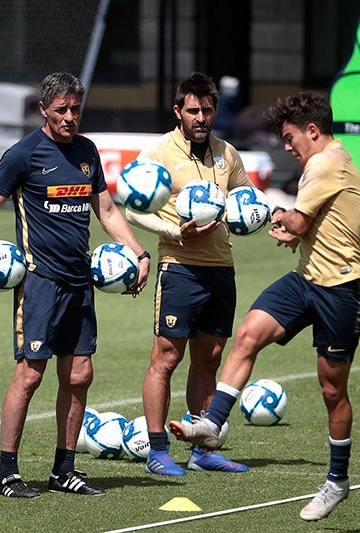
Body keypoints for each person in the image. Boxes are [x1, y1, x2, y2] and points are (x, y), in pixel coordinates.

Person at [169, 91, 360, 522]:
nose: (286, 146)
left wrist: (276, 218)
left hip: (342, 290)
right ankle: (213, 423)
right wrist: (292, 228)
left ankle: (336, 482)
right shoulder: (326, 163)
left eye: (289, 137)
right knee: (248, 333)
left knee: (332, 390)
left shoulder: (325, 163)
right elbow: (312, 225)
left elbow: (298, 221)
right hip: (306, 280)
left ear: (312, 132)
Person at [0, 72, 151, 498]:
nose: (70, 117)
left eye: (75, 109)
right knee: (30, 376)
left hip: (79, 283)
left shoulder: (86, 152)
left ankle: (63, 470)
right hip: (39, 284)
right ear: (44, 110)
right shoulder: (24, 155)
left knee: (80, 375)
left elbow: (105, 210)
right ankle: (7, 472)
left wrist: (139, 253)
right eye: (62, 109)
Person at [124, 72, 254, 476]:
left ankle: (202, 449)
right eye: (193, 110)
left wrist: (263, 216)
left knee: (210, 358)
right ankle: (158, 450)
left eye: (207, 110)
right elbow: (131, 209)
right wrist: (172, 230)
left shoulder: (227, 154)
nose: (201, 117)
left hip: (221, 268)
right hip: (179, 268)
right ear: (178, 111)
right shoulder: (159, 153)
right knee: (167, 357)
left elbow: (246, 199)